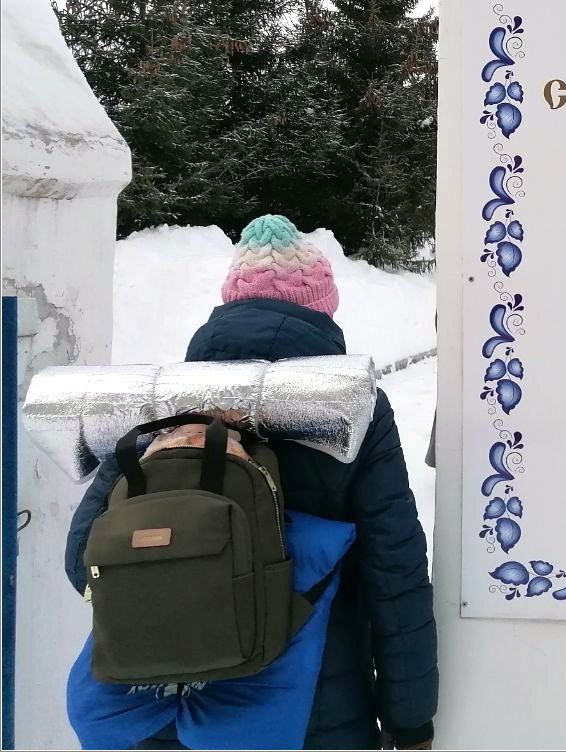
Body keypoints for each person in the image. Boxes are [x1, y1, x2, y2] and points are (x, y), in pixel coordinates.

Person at [64, 215, 438, 750]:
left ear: (228, 302)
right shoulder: (356, 410)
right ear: (323, 308)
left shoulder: (166, 402)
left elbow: (82, 556)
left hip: (161, 714)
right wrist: (410, 720)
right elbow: (394, 571)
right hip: (311, 715)